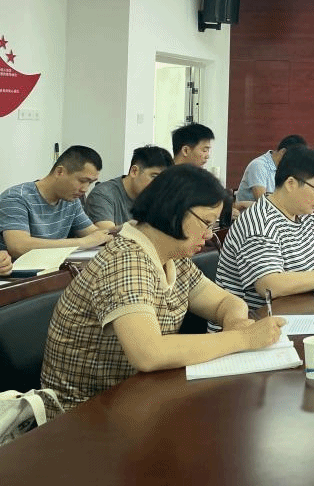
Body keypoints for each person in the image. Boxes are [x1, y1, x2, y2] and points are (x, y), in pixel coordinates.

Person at [40, 165, 285, 410]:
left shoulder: (172, 256)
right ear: (175, 210)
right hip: (84, 413)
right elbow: (148, 353)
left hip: (139, 397)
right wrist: (242, 338)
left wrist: (235, 322)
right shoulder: (126, 261)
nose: (210, 235)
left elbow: (227, 302)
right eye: (206, 223)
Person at [216, 146, 314, 314]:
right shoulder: (259, 221)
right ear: (290, 183)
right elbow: (270, 285)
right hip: (253, 322)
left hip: (296, 312)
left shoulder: (305, 216)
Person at [0, 145, 112, 258]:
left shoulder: (71, 200)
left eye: (90, 183)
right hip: (22, 269)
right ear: (59, 172)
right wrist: (81, 243)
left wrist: (118, 232)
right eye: (82, 181)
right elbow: (18, 246)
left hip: (54, 266)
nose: (85, 189)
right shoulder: (16, 198)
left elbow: (93, 234)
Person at [85, 145, 173, 231]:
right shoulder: (103, 194)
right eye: (154, 177)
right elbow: (106, 235)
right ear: (134, 171)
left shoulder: (158, 199)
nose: (159, 184)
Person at [236, 134, 307, 202]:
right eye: (294, 160)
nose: (294, 164)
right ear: (283, 152)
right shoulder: (258, 166)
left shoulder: (285, 169)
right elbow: (263, 202)